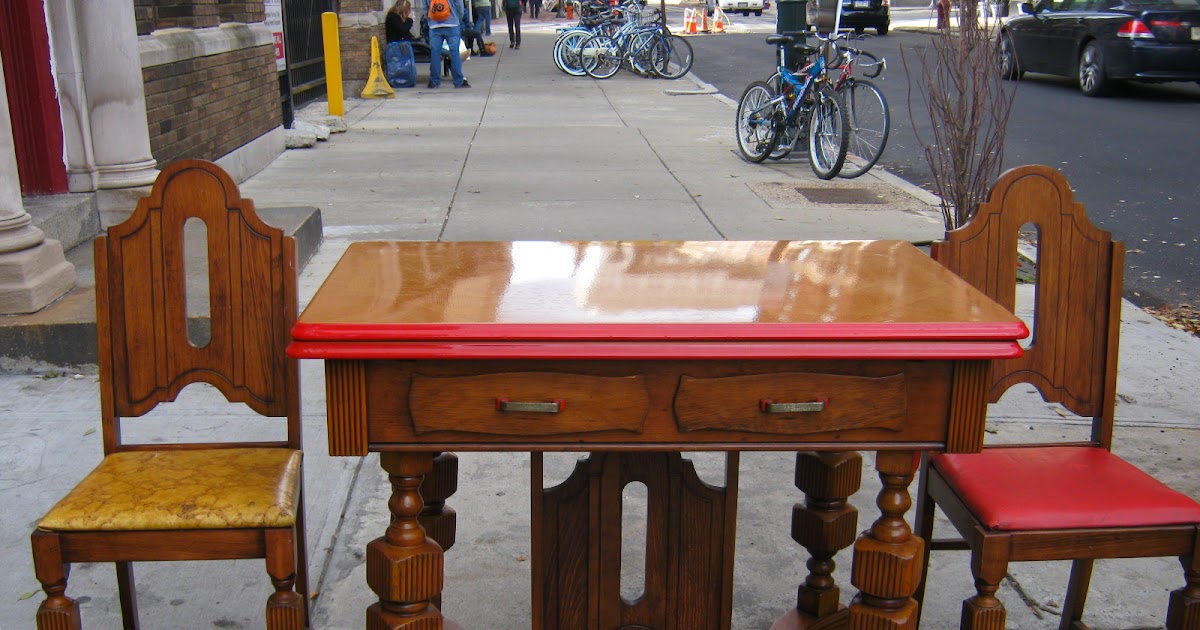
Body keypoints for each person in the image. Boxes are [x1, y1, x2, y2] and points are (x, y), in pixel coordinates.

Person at [426, 0, 471, 88]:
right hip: (452, 23)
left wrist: (430, 19)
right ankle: (458, 81)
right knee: (454, 53)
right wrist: (457, 18)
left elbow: (425, 6)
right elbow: (459, 5)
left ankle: (434, 82)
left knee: (435, 53)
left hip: (434, 24)